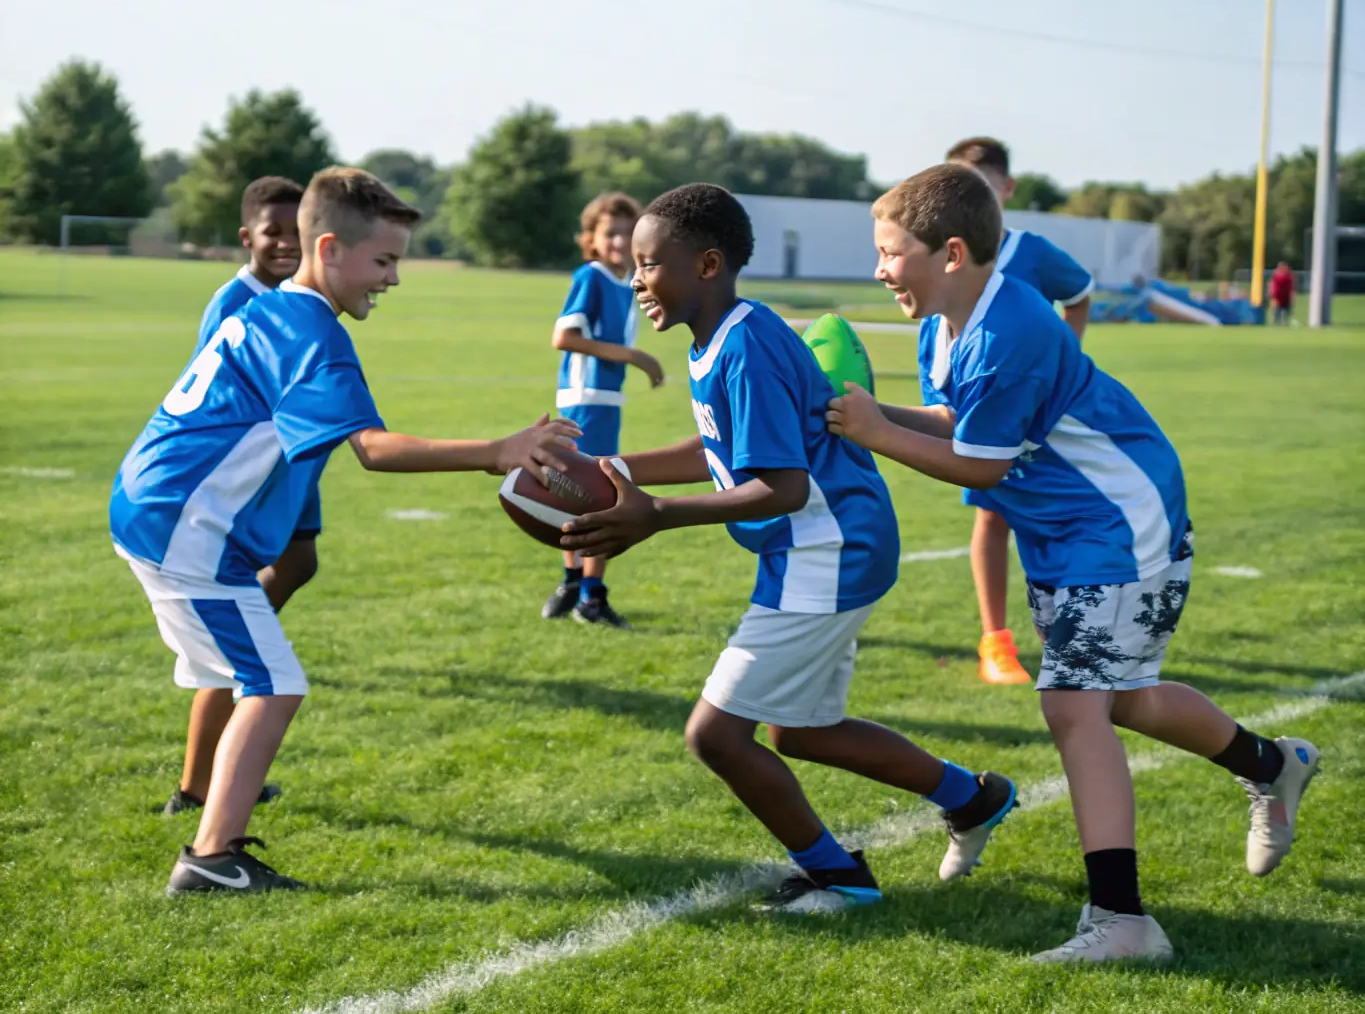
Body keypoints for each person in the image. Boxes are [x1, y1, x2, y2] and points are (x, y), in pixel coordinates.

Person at [827, 163, 1320, 961]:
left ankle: (1122, 923)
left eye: (889, 253)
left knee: (1072, 707)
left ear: (950, 253)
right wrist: (864, 406)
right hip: (1066, 529)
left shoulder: (1008, 329)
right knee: (1118, 700)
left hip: (1120, 525)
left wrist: (873, 431)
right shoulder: (943, 322)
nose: (879, 270)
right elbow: (957, 418)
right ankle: (1271, 764)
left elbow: (980, 466)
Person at [111, 166, 579, 894]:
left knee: (250, 676)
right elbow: (374, 450)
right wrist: (497, 450)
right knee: (273, 684)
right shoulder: (312, 330)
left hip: (161, 511)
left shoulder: (265, 308)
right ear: (328, 249)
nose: (392, 279)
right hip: (186, 526)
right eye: (384, 260)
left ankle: (209, 823)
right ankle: (211, 859)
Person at [561, 183, 1019, 913]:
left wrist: (657, 516)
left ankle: (837, 877)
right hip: (822, 545)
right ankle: (971, 798)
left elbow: (779, 485)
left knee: (716, 737)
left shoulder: (745, 343)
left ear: (707, 264)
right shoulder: (718, 335)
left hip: (825, 548)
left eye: (650, 264)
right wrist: (617, 469)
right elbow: (718, 446)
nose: (637, 280)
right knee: (800, 732)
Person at [163, 175, 317, 818]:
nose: (285, 243)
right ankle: (194, 789)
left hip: (289, 464)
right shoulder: (236, 302)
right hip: (245, 476)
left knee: (300, 563)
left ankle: (241, 647)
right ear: (246, 236)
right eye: (273, 232)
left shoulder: (293, 300)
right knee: (240, 651)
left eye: (296, 232)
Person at [944, 137, 1094, 686]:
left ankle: (1062, 634)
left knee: (1048, 510)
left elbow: (1079, 293)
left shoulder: (1030, 251)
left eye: (983, 186)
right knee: (993, 515)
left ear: (1006, 189)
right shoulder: (945, 259)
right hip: (987, 413)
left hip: (1043, 418)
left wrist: (1065, 354)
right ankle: (995, 641)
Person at [543, 192, 664, 629]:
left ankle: (574, 583)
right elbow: (565, 337)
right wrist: (635, 357)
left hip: (604, 403)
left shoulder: (623, 282)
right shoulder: (591, 276)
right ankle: (590, 598)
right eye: (609, 232)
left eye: (627, 233)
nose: (618, 240)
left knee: (580, 495)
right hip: (585, 401)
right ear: (590, 240)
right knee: (603, 497)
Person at [1270, 261, 1295, 326]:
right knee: (1277, 311)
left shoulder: (1288, 275)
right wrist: (1273, 295)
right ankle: (1276, 323)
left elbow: (1291, 287)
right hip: (1278, 296)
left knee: (1285, 311)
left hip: (1286, 297)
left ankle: (1283, 323)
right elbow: (1273, 286)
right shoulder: (1278, 275)